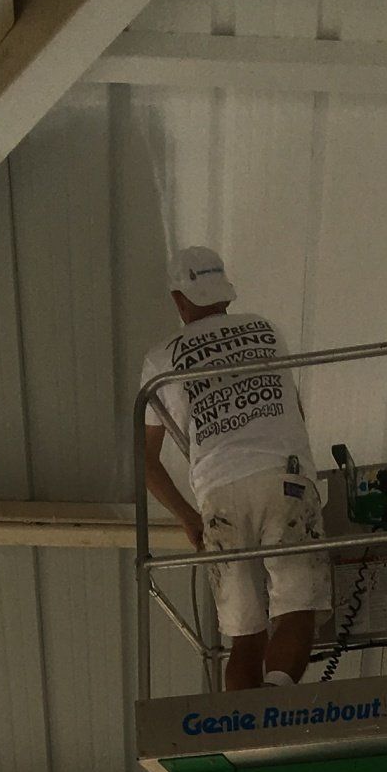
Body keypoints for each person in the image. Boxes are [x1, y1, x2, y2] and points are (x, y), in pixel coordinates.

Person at [139, 246, 331, 694]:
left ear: (178, 299)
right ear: (225, 291)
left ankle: (245, 723)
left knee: (244, 634)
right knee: (295, 608)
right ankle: (276, 697)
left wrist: (189, 519)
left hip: (218, 493)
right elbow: (295, 414)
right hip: (283, 478)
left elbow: (145, 461)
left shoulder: (160, 358)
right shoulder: (266, 330)